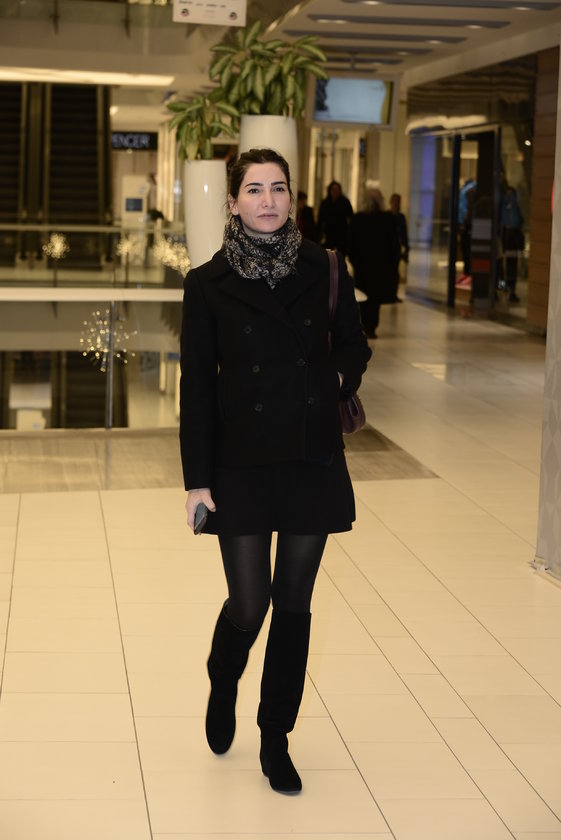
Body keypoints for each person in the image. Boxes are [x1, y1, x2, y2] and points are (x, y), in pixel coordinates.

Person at [180, 148, 371, 795]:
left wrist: (333, 380)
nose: (268, 200)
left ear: (293, 197)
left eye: (279, 188)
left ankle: (274, 737)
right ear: (233, 202)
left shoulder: (325, 267)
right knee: (250, 601)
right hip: (239, 461)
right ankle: (223, 673)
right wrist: (196, 479)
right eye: (255, 189)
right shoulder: (206, 283)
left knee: (293, 604)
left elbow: (354, 343)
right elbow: (196, 390)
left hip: (310, 454)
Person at [349, 188, 400, 339]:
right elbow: (394, 245)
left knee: (364, 295)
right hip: (379, 265)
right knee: (374, 297)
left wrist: (354, 260)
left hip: (363, 264)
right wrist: (392, 263)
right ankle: (371, 326)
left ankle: (366, 324)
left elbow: (351, 243)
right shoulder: (387, 219)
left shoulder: (358, 219)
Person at [500, 185, 523, 303]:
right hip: (507, 239)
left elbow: (518, 221)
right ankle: (505, 288)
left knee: (510, 266)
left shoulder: (513, 207)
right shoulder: (505, 207)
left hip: (510, 239)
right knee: (504, 266)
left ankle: (509, 289)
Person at [317, 180, 354, 254]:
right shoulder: (325, 203)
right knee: (328, 254)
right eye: (333, 189)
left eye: (337, 189)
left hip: (341, 233)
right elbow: (321, 219)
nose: (335, 191)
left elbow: (350, 217)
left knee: (341, 253)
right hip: (329, 233)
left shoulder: (345, 202)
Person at [389, 192, 409, 302]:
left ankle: (393, 294)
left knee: (395, 272)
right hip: (388, 247)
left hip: (396, 247)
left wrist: (406, 248)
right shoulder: (387, 216)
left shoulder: (400, 217)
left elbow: (404, 234)